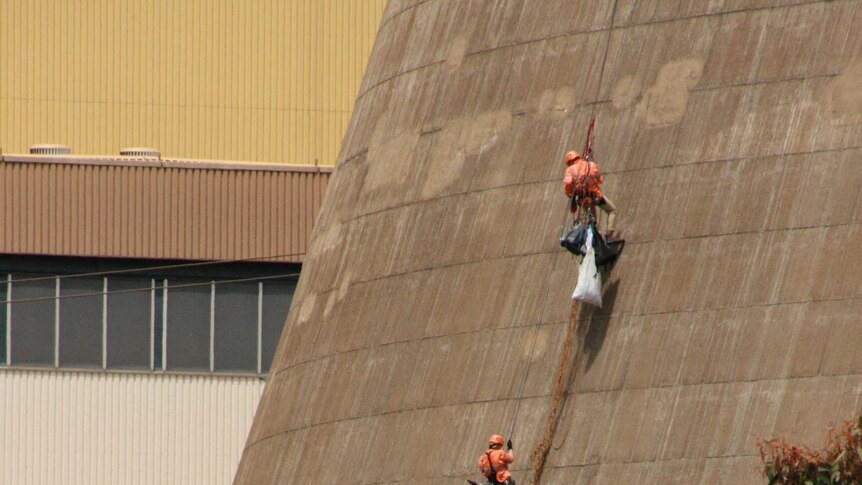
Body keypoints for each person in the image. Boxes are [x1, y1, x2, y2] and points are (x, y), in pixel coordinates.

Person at [563, 150, 620, 240]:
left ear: (570, 161)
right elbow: (600, 179)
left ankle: (596, 239)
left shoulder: (570, 170)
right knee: (612, 210)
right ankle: (610, 234)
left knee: (593, 222)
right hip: (596, 196)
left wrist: (570, 193)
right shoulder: (591, 165)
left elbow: (568, 183)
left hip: (585, 200)